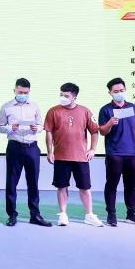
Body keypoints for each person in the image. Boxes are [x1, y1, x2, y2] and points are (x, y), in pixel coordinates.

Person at [46, 82, 102, 228]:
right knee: (61, 186)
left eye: (66, 96)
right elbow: (49, 132)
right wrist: (50, 151)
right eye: (61, 95)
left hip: (81, 157)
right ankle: (63, 214)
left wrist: (92, 149)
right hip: (61, 156)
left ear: (74, 97)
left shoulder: (85, 111)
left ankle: (89, 215)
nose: (62, 98)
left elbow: (94, 131)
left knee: (85, 187)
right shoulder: (53, 111)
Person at [0, 78, 51, 227]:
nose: (23, 95)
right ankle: (12, 215)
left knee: (33, 182)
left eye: (25, 92)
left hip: (32, 147)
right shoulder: (6, 107)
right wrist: (10, 128)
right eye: (20, 92)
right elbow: (0, 127)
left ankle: (35, 215)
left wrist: (37, 128)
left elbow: (40, 125)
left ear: (29, 92)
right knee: (11, 182)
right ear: (14, 90)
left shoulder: (34, 106)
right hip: (14, 147)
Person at [97, 78, 135, 226]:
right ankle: (111, 214)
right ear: (110, 93)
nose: (119, 93)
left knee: (131, 185)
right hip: (114, 153)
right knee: (112, 184)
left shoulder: (132, 107)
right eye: (116, 91)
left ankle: (131, 214)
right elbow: (102, 131)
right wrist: (110, 123)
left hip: (132, 153)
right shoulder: (106, 109)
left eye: (122, 90)